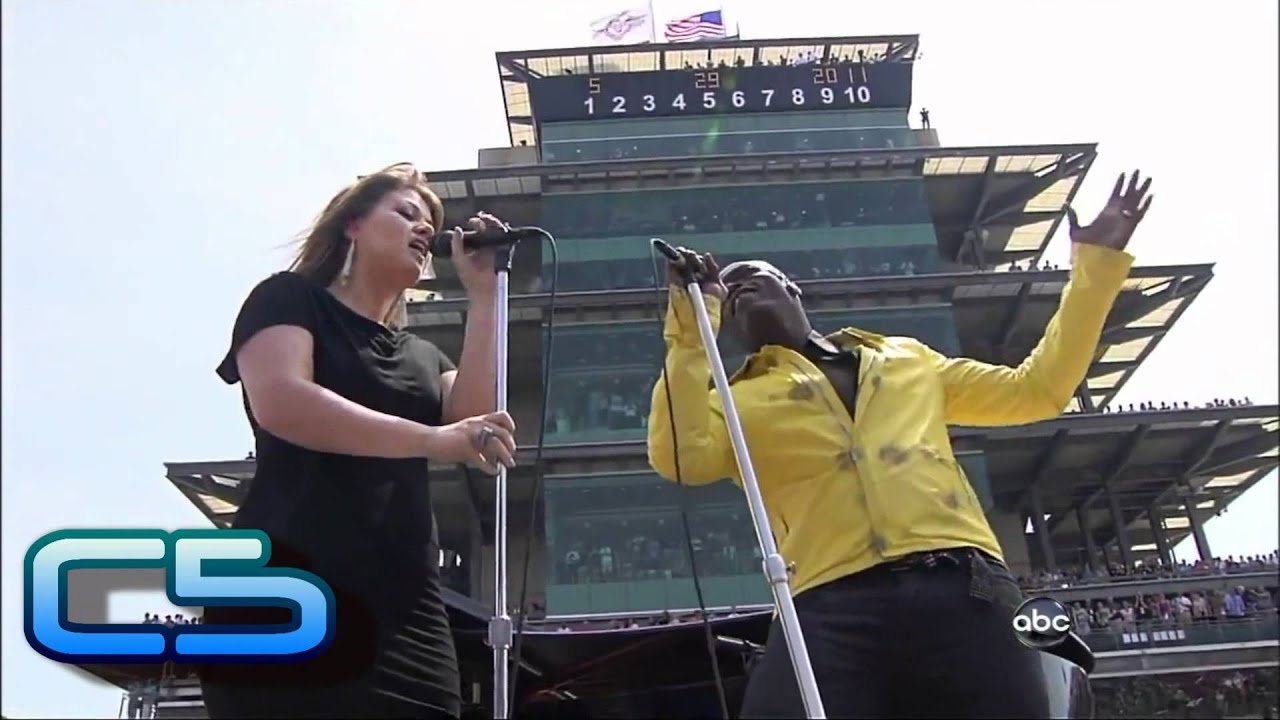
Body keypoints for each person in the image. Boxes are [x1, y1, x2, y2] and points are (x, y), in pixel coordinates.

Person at [648, 171, 1154, 718]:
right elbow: (681, 456)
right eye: (728, 288)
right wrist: (692, 324)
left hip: (965, 584)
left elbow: (1038, 389)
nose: (737, 285)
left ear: (794, 289)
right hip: (826, 600)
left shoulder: (907, 359)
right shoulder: (735, 399)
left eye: (753, 276)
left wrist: (1094, 268)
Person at [199, 162, 518, 719]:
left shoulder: (421, 358)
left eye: (431, 222)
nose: (425, 229)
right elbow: (284, 403)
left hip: (407, 610)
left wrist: (486, 293)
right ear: (353, 225)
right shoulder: (288, 300)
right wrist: (434, 440)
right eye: (406, 213)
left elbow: (473, 420)